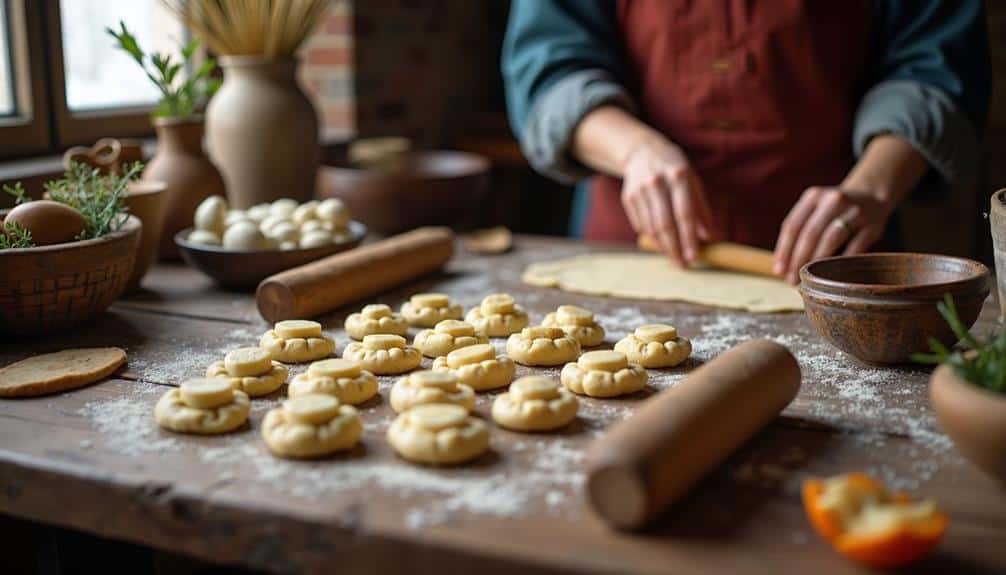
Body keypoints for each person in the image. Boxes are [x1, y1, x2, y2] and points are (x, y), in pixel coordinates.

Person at [502, 1, 990, 283]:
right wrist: (635, 151)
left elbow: (935, 66)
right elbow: (548, 66)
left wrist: (871, 189)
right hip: (630, 249)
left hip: (839, 265)